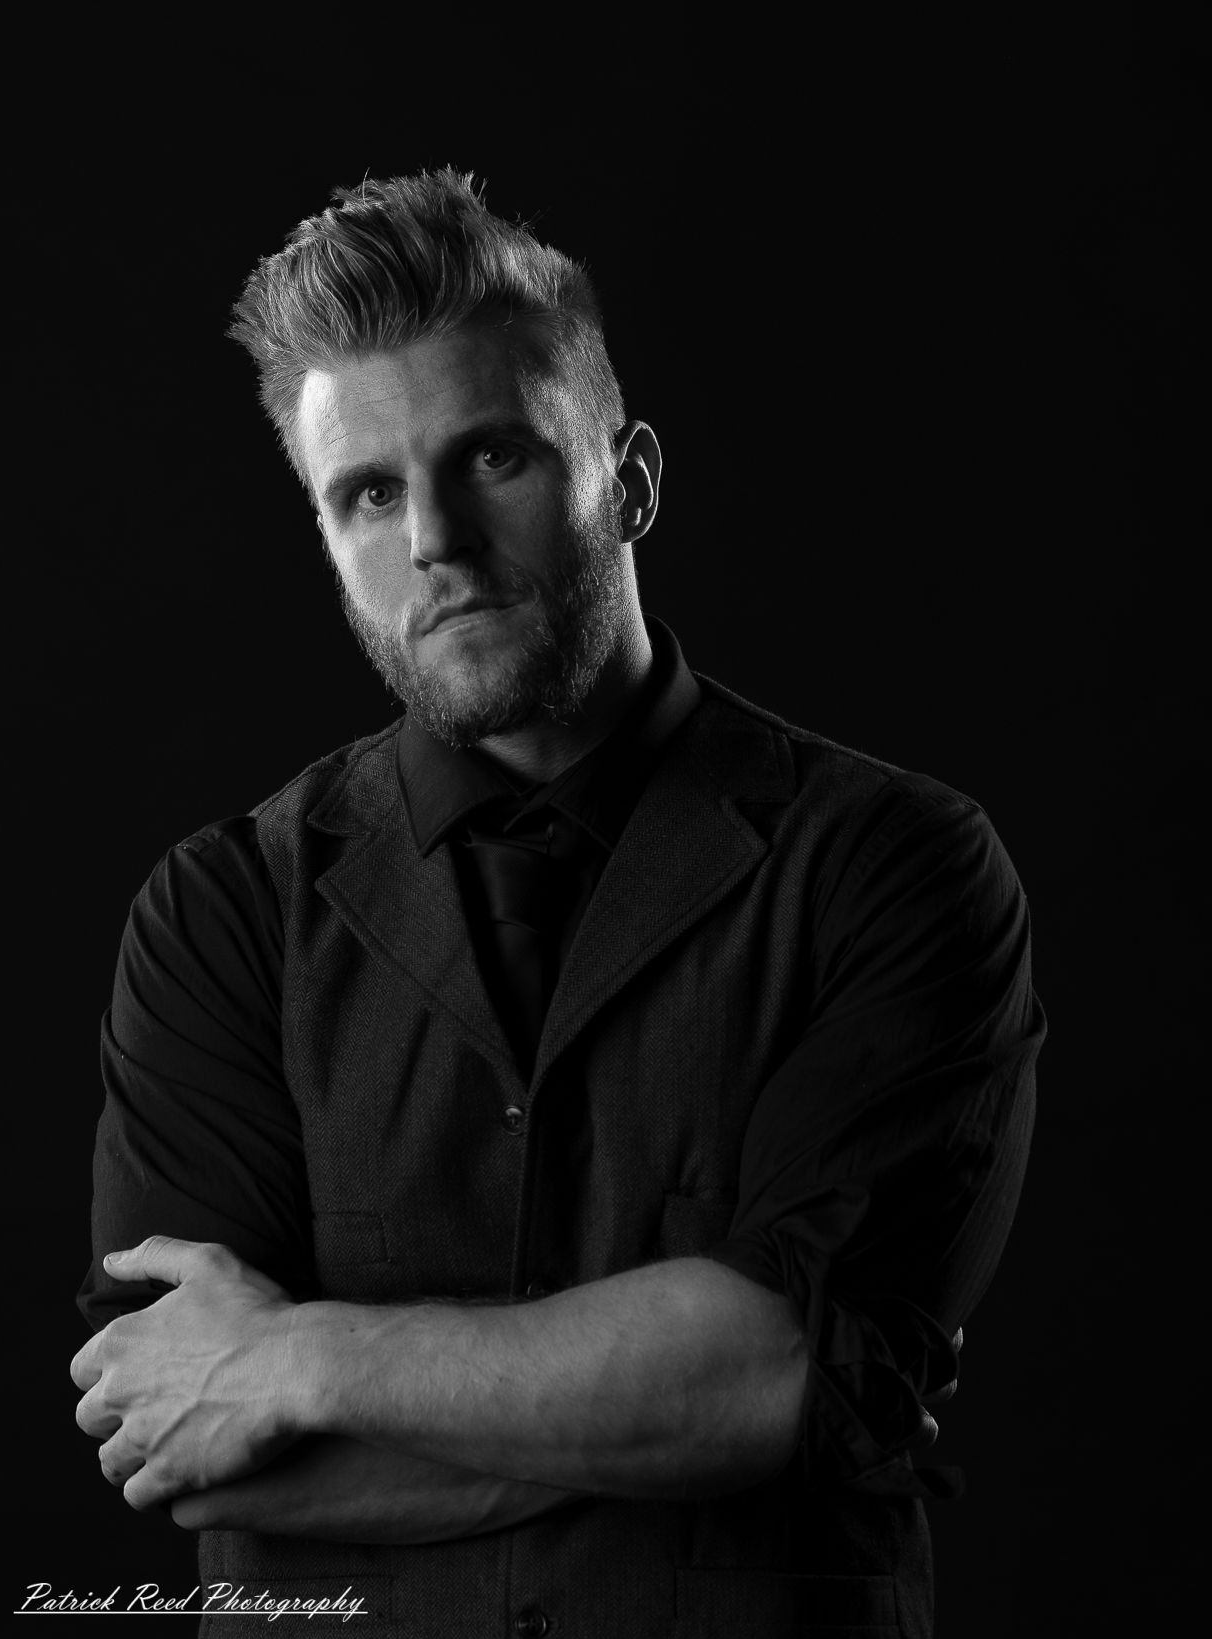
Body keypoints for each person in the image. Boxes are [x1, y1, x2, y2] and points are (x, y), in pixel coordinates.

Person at [71, 170, 1040, 1638]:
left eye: (495, 460)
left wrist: (303, 1361)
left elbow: (777, 1374)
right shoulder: (221, 915)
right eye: (369, 494)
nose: (437, 543)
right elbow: (196, 1449)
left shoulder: (892, 866)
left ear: (630, 477)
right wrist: (665, 1415)